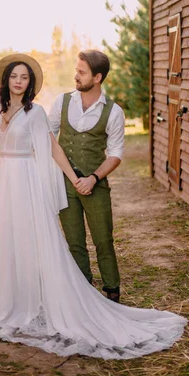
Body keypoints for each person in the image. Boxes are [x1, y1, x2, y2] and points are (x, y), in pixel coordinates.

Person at [0, 53, 186, 359]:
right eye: (14, 76)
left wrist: (77, 178)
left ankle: (62, 299)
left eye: (24, 78)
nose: (18, 81)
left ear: (30, 84)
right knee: (8, 243)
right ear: (6, 81)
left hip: (26, 183)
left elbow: (53, 149)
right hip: (5, 186)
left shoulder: (36, 113)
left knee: (35, 242)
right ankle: (11, 300)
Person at [49, 50, 124, 303]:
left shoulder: (113, 112)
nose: (76, 76)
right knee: (74, 241)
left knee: (103, 240)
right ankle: (83, 292)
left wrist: (93, 178)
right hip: (64, 183)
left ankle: (112, 292)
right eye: (76, 70)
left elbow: (115, 154)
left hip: (95, 184)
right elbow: (46, 136)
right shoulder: (62, 102)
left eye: (82, 72)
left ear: (98, 77)